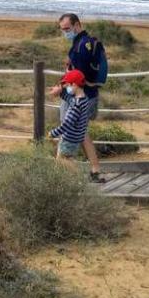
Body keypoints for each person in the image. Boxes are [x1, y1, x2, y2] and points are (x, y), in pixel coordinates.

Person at [56, 13, 105, 181]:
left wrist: (62, 88)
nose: (65, 32)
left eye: (67, 29)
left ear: (77, 25)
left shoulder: (80, 46)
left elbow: (77, 77)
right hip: (91, 95)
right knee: (82, 132)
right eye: (62, 29)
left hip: (77, 97)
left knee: (67, 133)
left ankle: (67, 177)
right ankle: (95, 170)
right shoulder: (87, 42)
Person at [50, 69, 93, 171]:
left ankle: (77, 177)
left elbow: (66, 124)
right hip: (76, 139)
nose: (67, 88)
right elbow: (70, 99)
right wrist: (60, 92)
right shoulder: (84, 99)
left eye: (68, 85)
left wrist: (53, 133)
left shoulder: (76, 105)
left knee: (62, 161)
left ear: (74, 85)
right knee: (67, 160)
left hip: (68, 139)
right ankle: (71, 178)